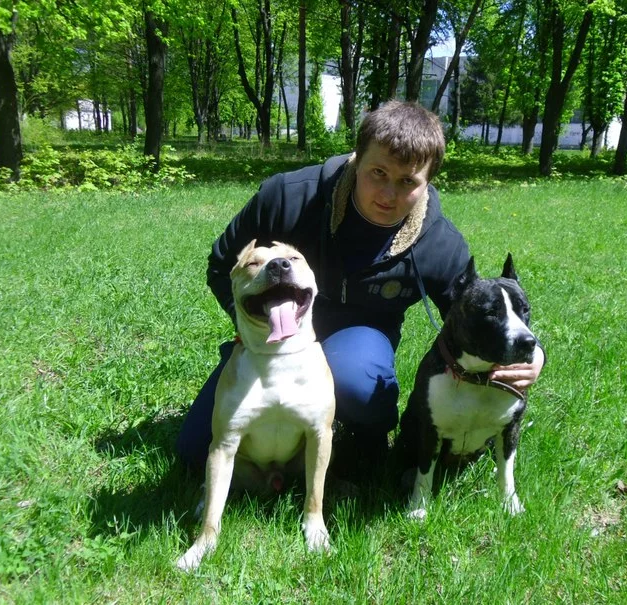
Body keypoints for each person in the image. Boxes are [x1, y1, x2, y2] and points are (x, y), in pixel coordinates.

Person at [176, 100, 545, 476]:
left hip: (358, 337)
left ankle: (365, 437)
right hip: (271, 333)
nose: (388, 194)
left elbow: (473, 313)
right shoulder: (287, 196)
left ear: (428, 181)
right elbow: (222, 264)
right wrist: (250, 322)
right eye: (378, 173)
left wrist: (533, 355)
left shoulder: (439, 243)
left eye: (407, 182)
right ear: (357, 159)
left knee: (358, 383)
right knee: (194, 450)